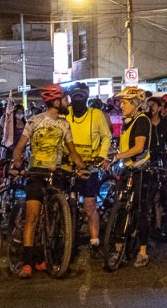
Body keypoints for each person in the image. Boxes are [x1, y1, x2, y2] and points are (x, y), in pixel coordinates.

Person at [10, 85, 86, 278]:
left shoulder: (64, 124)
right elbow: (19, 147)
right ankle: (28, 262)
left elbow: (72, 151)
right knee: (33, 217)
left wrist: (82, 167)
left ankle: (45, 256)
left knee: (54, 217)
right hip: (36, 173)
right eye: (64, 99)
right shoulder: (34, 121)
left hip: (56, 173)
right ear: (55, 102)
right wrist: (17, 163)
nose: (68, 102)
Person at [106, 86, 154, 267]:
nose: (122, 105)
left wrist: (117, 157)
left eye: (125, 102)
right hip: (127, 170)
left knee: (140, 211)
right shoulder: (127, 121)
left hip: (141, 170)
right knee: (120, 208)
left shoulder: (142, 121)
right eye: (121, 102)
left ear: (135, 104)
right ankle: (118, 249)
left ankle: (142, 252)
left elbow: (139, 148)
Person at [65, 82, 111, 256]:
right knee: (65, 201)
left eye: (81, 97)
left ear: (86, 98)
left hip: (89, 166)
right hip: (67, 165)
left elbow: (106, 136)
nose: (78, 100)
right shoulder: (66, 115)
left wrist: (101, 155)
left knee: (90, 204)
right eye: (74, 97)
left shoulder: (96, 114)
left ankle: (94, 242)